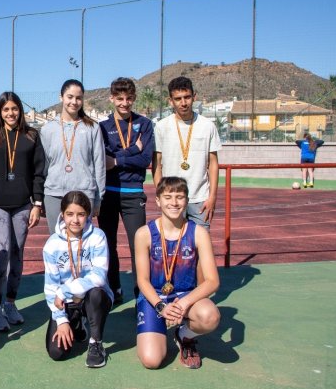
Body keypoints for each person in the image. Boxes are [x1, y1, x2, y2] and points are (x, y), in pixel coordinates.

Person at [134, 176, 220, 369]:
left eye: (180, 197)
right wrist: (160, 307)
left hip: (185, 297)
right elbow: (142, 280)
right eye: (168, 197)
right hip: (154, 299)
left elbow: (212, 281)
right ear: (157, 201)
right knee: (151, 360)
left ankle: (184, 335)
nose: (174, 202)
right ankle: (157, 329)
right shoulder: (144, 234)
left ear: (187, 201)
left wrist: (182, 304)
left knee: (210, 316)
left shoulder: (198, 233)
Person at [0, 91, 46, 332]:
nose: (10, 113)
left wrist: (37, 204)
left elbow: (39, 172)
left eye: (14, 109)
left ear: (21, 110)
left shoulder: (31, 136)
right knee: (3, 252)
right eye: (6, 109)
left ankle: (10, 303)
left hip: (22, 205)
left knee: (18, 254)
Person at [97, 77, 154, 302]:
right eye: (119, 98)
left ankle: (142, 295)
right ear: (112, 98)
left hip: (133, 193)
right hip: (108, 193)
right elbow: (103, 160)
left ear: (134, 98)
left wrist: (118, 160)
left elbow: (146, 158)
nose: (124, 103)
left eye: (128, 98)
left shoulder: (145, 124)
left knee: (138, 246)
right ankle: (114, 290)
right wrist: (133, 150)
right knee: (108, 245)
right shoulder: (102, 127)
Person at [43, 191, 113, 368]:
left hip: (92, 297)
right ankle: (76, 324)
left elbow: (98, 276)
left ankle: (95, 342)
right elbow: (51, 287)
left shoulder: (98, 237)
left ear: (88, 215)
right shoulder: (52, 245)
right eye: (70, 214)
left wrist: (65, 290)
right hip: (65, 302)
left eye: (81, 214)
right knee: (56, 353)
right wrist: (61, 320)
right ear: (62, 214)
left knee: (96, 293)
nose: (75, 220)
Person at [152, 76, 221, 229]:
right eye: (178, 99)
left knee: (201, 245)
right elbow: (157, 163)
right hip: (173, 198)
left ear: (194, 97)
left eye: (187, 97)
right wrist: (162, 194)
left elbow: (213, 164)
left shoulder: (208, 126)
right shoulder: (161, 127)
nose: (183, 103)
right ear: (170, 101)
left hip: (200, 198)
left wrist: (212, 197)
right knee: (174, 244)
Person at [40, 79, 105, 233]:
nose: (74, 102)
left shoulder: (93, 128)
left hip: (84, 193)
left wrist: (98, 199)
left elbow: (99, 165)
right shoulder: (48, 130)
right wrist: (39, 197)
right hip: (54, 194)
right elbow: (43, 166)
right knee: (57, 242)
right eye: (70, 97)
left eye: (78, 98)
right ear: (61, 97)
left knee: (82, 244)